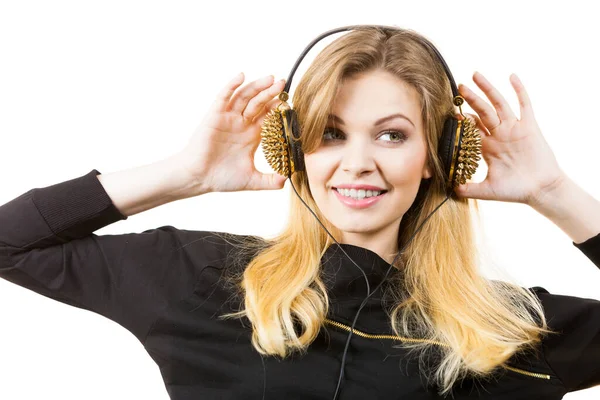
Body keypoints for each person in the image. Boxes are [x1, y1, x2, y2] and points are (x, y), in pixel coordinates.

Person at [1, 26, 599, 399]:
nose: (358, 162)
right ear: (295, 149)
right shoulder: (201, 281)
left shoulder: (511, 331)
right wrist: (185, 175)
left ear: (435, 156)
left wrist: (554, 192)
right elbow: (9, 242)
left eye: (391, 136)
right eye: (331, 133)